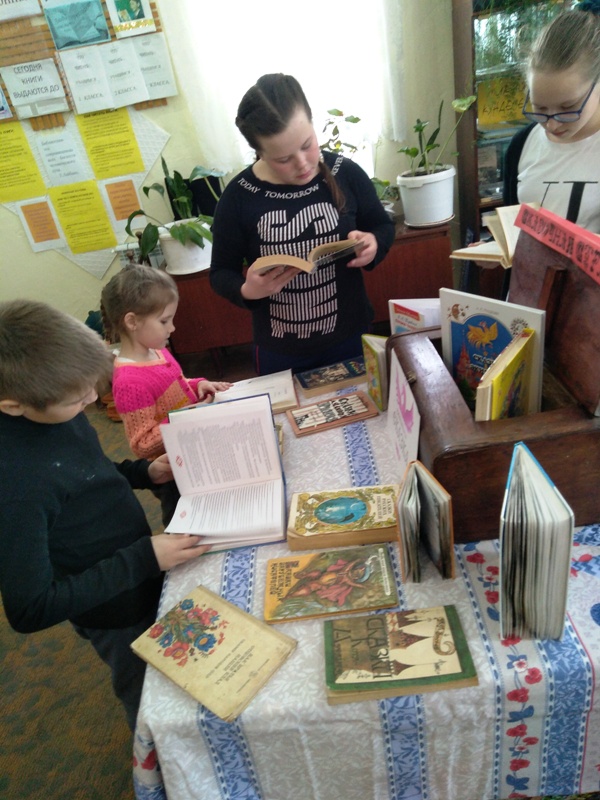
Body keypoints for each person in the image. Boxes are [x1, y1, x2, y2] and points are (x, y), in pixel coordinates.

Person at [0, 300, 210, 733]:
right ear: (14, 406)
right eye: (78, 399)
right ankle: (154, 756)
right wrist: (143, 558)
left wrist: (141, 472)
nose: (93, 400)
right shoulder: (15, 485)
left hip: (140, 564)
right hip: (113, 608)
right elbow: (30, 608)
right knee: (147, 692)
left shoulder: (52, 410)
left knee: (177, 666)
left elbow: (84, 474)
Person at [209, 73, 396, 376]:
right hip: (279, 352)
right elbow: (220, 272)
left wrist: (374, 244)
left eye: (307, 145)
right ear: (259, 153)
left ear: (312, 122)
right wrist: (247, 290)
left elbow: (382, 226)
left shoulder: (345, 173)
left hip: (350, 337)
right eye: (283, 159)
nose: (303, 163)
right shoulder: (238, 197)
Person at [100, 265, 231, 524]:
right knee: (183, 519)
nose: (172, 328)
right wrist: (188, 417)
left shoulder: (158, 351)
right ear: (132, 321)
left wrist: (198, 385)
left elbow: (178, 385)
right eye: (164, 321)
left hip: (193, 447)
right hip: (172, 469)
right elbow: (142, 443)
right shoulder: (129, 382)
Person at [504, 3, 600, 233]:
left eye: (568, 107)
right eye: (539, 107)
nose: (551, 123)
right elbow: (512, 233)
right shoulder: (521, 146)